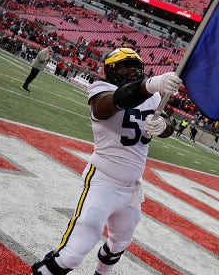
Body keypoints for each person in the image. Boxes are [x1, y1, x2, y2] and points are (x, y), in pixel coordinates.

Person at [31, 47, 182, 275]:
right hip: (103, 181)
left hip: (131, 188)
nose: (130, 71)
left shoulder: (155, 96)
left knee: (120, 242)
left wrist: (163, 127)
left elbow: (169, 124)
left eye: (134, 66)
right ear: (111, 71)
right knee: (73, 252)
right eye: (123, 67)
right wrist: (148, 85)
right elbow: (106, 106)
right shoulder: (102, 89)